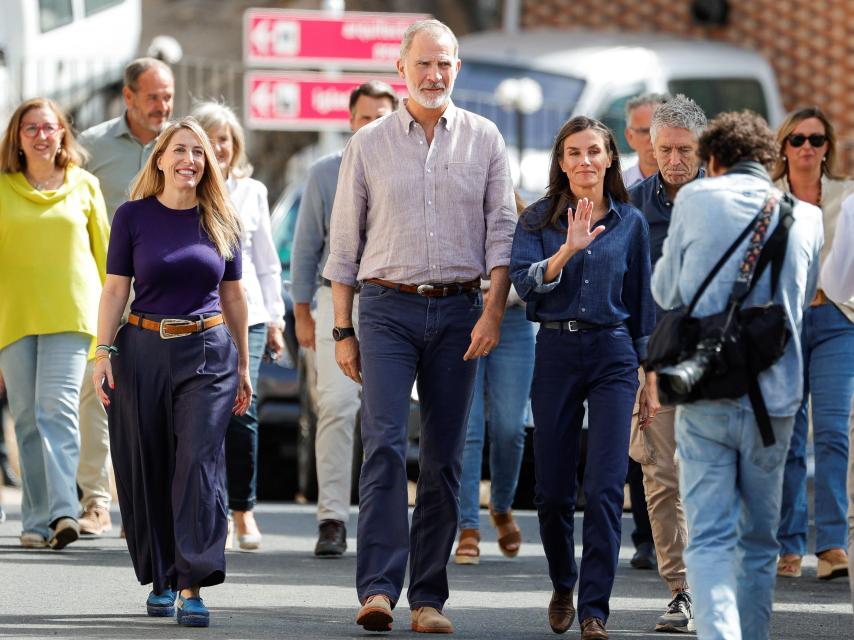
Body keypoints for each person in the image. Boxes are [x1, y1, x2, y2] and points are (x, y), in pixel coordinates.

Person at [322, 19, 516, 634]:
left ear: (457, 68)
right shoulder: (368, 143)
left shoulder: (485, 138)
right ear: (401, 68)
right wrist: (342, 330)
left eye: (445, 64)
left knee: (444, 457)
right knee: (383, 442)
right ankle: (379, 589)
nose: (434, 75)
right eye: (424, 64)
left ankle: (428, 598)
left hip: (460, 312)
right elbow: (344, 245)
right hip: (386, 309)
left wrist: (492, 312)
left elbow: (502, 233)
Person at [652, 110, 822, 640]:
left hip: (707, 388)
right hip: (777, 398)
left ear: (714, 160)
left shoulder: (696, 199)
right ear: (769, 160)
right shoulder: (807, 216)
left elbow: (667, 291)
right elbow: (801, 302)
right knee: (759, 542)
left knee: (708, 538)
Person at [92, 117, 252, 628]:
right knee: (149, 464)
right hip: (142, 350)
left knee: (198, 465)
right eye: (180, 150)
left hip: (208, 353)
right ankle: (161, 575)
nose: (190, 159)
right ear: (159, 159)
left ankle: (191, 584)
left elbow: (234, 296)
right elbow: (115, 289)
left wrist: (244, 364)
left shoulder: (222, 218)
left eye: (198, 152)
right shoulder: (132, 216)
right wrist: (101, 352)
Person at [510, 116, 655, 639]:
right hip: (556, 349)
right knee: (552, 491)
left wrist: (648, 374)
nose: (584, 160)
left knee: (605, 486)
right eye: (573, 152)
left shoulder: (630, 222)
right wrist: (567, 249)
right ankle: (562, 582)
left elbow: (642, 305)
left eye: (594, 150)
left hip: (613, 352)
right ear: (561, 161)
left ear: (610, 157)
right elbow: (524, 285)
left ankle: (595, 609)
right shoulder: (537, 218)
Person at [291, 81, 399, 557]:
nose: (372, 125)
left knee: (386, 415)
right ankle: (332, 517)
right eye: (364, 117)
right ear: (351, 121)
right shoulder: (324, 173)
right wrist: (301, 312)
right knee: (336, 406)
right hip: (334, 301)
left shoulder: (409, 168)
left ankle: (383, 517)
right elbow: (305, 247)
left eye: (382, 117)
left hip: (393, 302)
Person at [0, 97, 109, 550]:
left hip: (72, 315)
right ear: (17, 138)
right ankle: (36, 519)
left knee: (56, 410)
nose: (41, 135)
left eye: (49, 127)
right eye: (31, 128)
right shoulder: (3, 188)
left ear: (63, 133)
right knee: (26, 419)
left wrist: (113, 327)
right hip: (13, 318)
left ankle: (64, 511)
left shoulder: (86, 185)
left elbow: (107, 261)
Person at [75, 57, 175, 536]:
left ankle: (147, 500)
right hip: (106, 287)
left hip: (164, 291)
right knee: (95, 389)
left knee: (156, 398)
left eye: (168, 96)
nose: (163, 106)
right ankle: (96, 500)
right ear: (128, 96)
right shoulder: (91, 147)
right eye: (153, 96)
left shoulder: (180, 146)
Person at [627, 94, 707, 633]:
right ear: (650, 149)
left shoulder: (724, 201)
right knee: (660, 475)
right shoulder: (629, 206)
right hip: (652, 362)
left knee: (714, 471)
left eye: (685, 150)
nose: (674, 160)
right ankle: (681, 589)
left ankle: (717, 579)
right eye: (665, 150)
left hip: (716, 360)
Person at [192, 101, 285, 552]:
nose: (218, 147)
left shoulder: (252, 192)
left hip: (249, 315)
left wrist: (276, 319)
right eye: (209, 139)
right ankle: (213, 510)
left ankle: (243, 509)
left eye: (224, 139)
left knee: (241, 411)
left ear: (235, 145)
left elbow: (266, 262)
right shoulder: (185, 190)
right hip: (199, 315)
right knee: (204, 414)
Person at [773, 107, 854, 581]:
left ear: (827, 149)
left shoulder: (847, 195)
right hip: (784, 323)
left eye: (816, 140)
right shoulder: (768, 197)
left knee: (832, 432)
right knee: (787, 432)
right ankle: (788, 542)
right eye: (798, 139)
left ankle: (831, 545)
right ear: (784, 146)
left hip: (837, 320)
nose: (807, 147)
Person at [453, 191, 534, 565]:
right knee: (468, 429)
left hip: (512, 321)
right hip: (463, 316)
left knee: (510, 427)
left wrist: (500, 298)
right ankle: (467, 525)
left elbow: (533, 272)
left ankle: (501, 506)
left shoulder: (522, 216)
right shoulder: (453, 206)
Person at [622, 93, 670, 188]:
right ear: (630, 137)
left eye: (659, 130)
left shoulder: (695, 185)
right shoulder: (616, 187)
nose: (653, 140)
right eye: (645, 131)